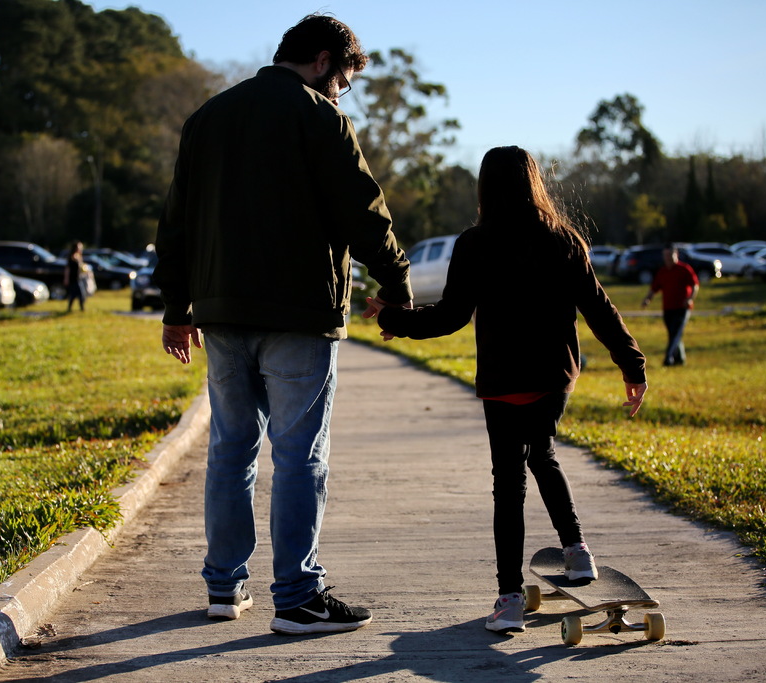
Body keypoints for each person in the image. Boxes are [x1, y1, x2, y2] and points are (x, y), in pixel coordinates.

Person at [153, 13, 412, 636]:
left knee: (230, 449)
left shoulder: (207, 118)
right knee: (299, 458)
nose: (342, 92)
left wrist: (176, 308)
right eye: (344, 80)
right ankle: (297, 598)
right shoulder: (319, 116)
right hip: (298, 312)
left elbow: (176, 223)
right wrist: (395, 283)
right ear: (324, 61)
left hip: (221, 315)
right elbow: (363, 210)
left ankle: (224, 587)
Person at [373, 146, 647, 635]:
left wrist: (393, 317)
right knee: (542, 452)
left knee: (508, 483)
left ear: (485, 188)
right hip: (553, 379)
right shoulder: (565, 241)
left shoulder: (476, 243)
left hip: (503, 384)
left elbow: (450, 317)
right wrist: (632, 365)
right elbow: (600, 309)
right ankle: (578, 551)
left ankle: (509, 600)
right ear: (533, 183)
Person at [641, 244, 699, 366]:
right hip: (668, 308)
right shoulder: (663, 271)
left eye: (670, 255)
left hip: (682, 308)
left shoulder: (684, 269)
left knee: (676, 332)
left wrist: (689, 299)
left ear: (676, 254)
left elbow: (695, 286)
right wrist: (647, 299)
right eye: (665, 255)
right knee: (673, 333)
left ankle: (668, 358)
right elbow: (654, 288)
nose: (668, 258)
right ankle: (680, 358)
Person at [64, 241, 86, 312]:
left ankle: (72, 308)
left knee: (75, 294)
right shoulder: (71, 257)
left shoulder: (79, 256)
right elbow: (67, 269)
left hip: (79, 278)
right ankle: (81, 308)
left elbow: (81, 267)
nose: (80, 249)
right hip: (73, 278)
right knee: (80, 294)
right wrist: (66, 279)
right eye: (79, 247)